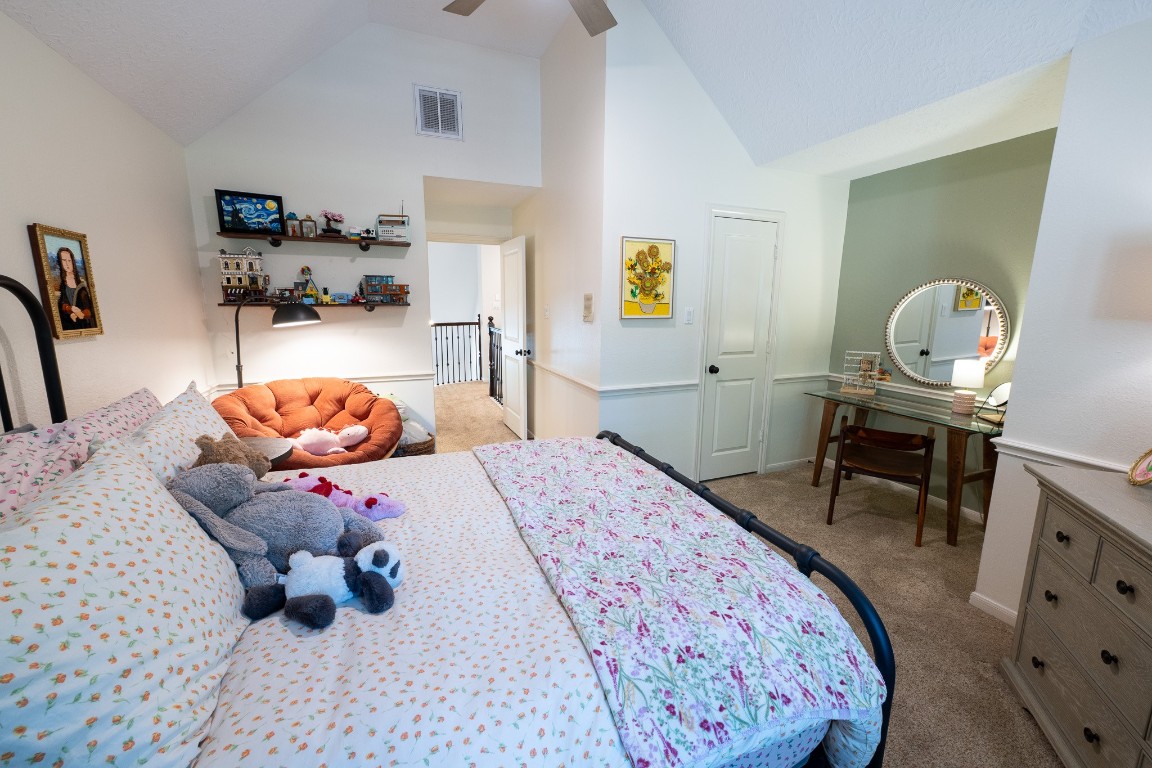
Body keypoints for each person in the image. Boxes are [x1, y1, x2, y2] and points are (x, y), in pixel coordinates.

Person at [56, 246, 94, 330]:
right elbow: (61, 304)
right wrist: (70, 309)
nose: (67, 264)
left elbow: (90, 309)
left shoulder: (81, 284)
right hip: (68, 324)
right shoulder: (62, 283)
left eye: (69, 260)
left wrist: (81, 314)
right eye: (64, 260)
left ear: (73, 262)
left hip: (83, 324)